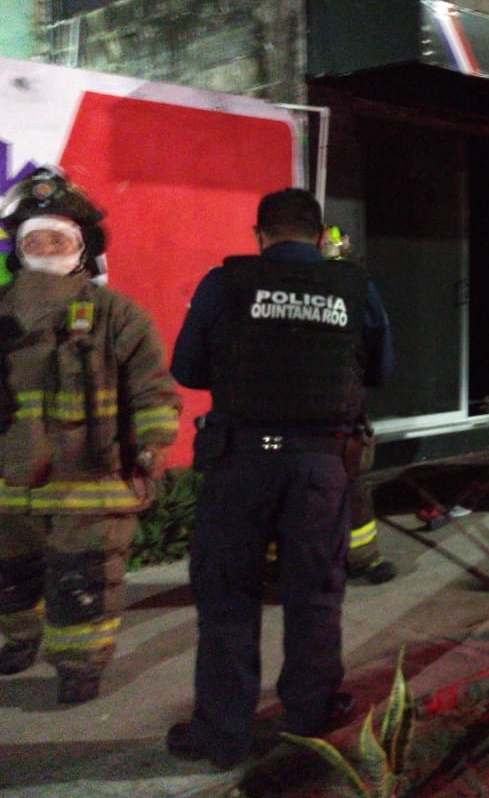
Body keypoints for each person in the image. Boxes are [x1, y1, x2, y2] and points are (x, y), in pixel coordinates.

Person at [166, 188, 393, 770]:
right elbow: (383, 369)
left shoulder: (225, 285)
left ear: (259, 234)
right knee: (315, 592)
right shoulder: (354, 287)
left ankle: (222, 735)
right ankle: (311, 719)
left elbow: (187, 368)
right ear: (320, 237)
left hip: (240, 461)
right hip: (321, 464)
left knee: (227, 598)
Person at [0, 168, 181, 705]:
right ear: (19, 248)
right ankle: (21, 634)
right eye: (35, 238)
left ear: (82, 247)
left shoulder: (116, 313)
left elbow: (152, 385)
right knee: (0, 578)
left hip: (87, 482)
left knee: (83, 581)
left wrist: (151, 442)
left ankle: (78, 666)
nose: (47, 246)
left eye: (59, 237)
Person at [321, 225, 395, 585]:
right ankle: (363, 558)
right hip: (338, 401)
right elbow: (378, 331)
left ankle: (277, 561)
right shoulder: (355, 284)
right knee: (350, 477)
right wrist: (374, 379)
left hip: (277, 408)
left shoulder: (267, 281)